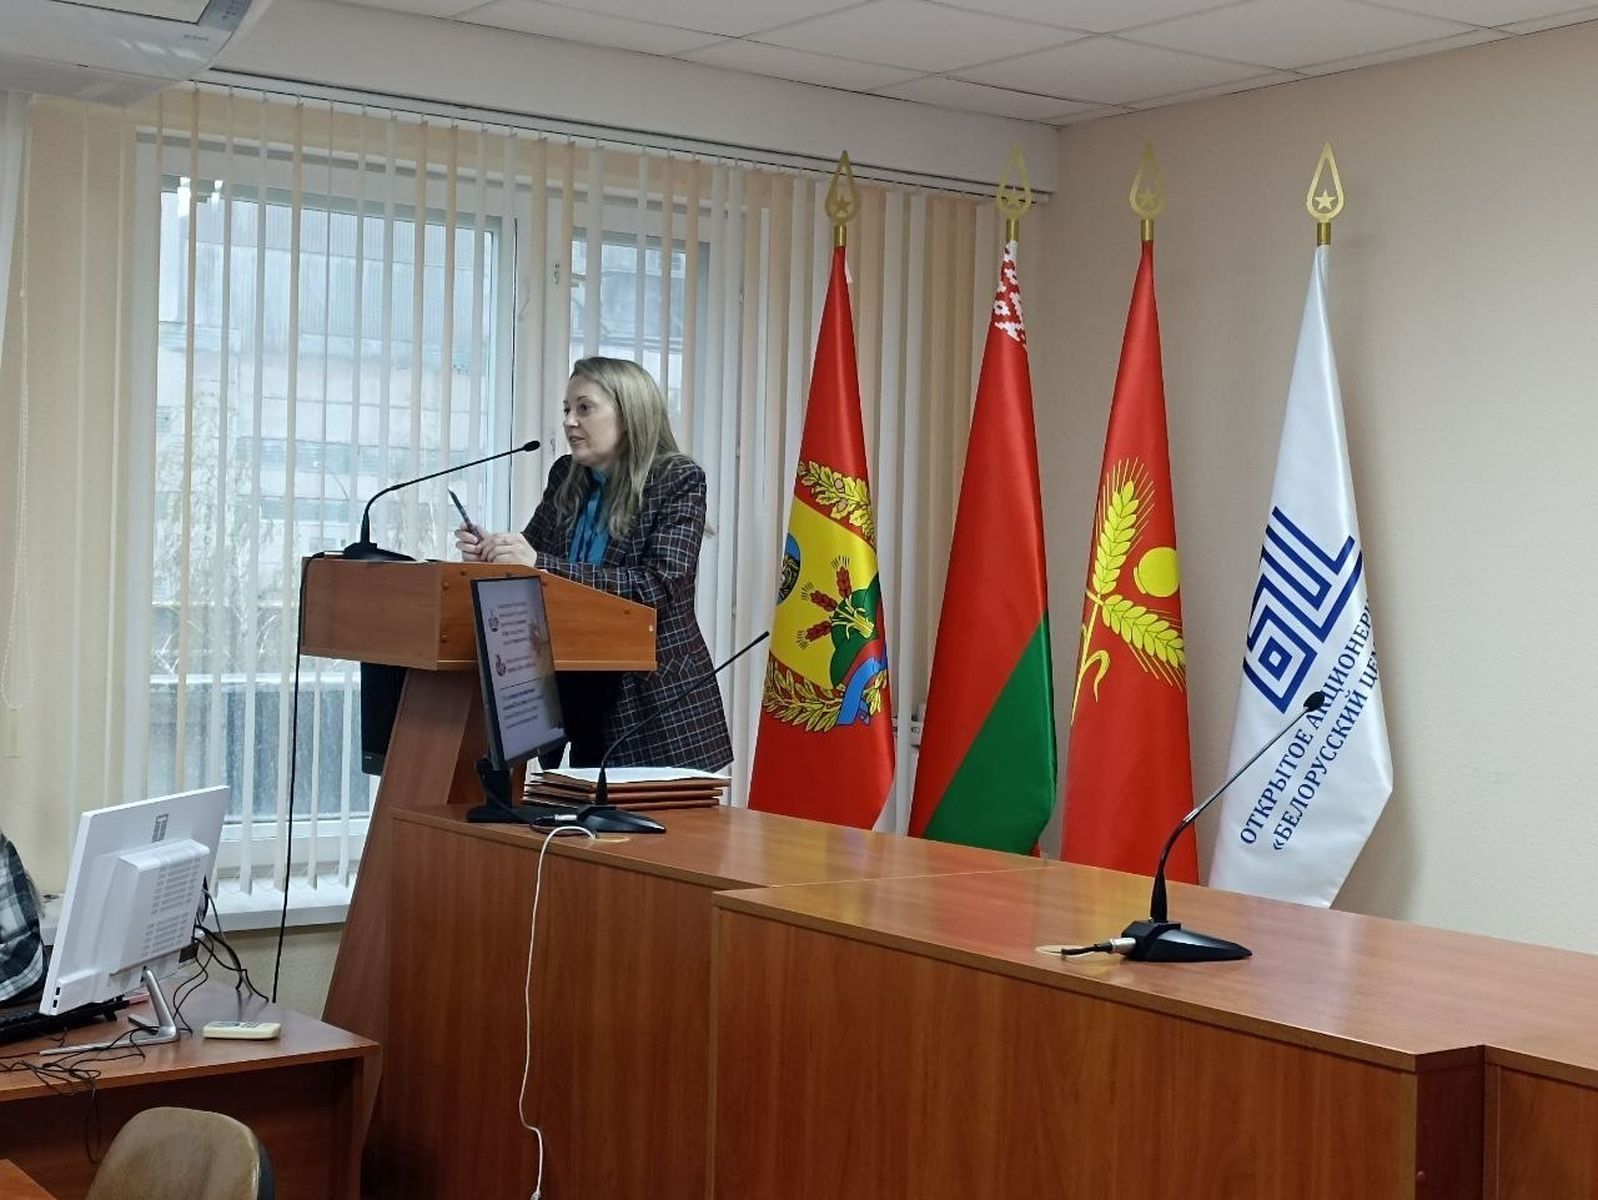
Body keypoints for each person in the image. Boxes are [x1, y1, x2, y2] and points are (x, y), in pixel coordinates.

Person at [456, 357, 733, 772]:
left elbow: (655, 588)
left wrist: (540, 563)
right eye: (567, 409)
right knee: (566, 810)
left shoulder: (677, 479)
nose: (570, 421)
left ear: (629, 414)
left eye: (584, 408)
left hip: (647, 697)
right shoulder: (566, 475)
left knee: (634, 816)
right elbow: (533, 560)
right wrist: (493, 555)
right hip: (571, 683)